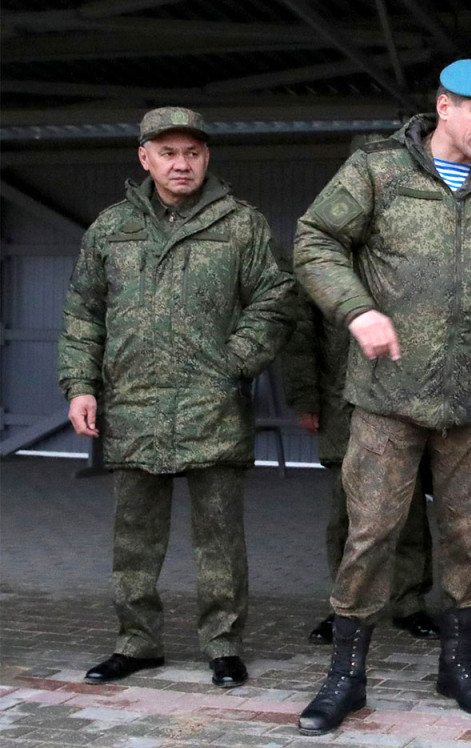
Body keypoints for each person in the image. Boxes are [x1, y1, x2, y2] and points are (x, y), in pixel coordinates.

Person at [291, 59, 471, 735]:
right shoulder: (377, 173)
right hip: (387, 399)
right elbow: (314, 240)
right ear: (444, 106)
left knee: (468, 538)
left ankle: (459, 666)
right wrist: (356, 308)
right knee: (370, 535)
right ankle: (345, 677)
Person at [58, 107, 294, 689]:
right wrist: (81, 385)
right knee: (133, 539)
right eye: (168, 153)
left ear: (206, 157)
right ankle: (136, 643)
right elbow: (84, 313)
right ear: (145, 158)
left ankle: (223, 644)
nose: (181, 163)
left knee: (220, 538)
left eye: (191, 152)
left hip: (211, 405)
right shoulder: (113, 228)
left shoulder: (241, 224)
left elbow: (276, 297)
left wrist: (235, 361)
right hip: (133, 405)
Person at [281, 283, 439, 644]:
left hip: (401, 400)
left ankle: (409, 603)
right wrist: (305, 399)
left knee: (408, 509)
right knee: (346, 513)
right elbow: (302, 334)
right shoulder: (329, 260)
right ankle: (345, 606)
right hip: (342, 404)